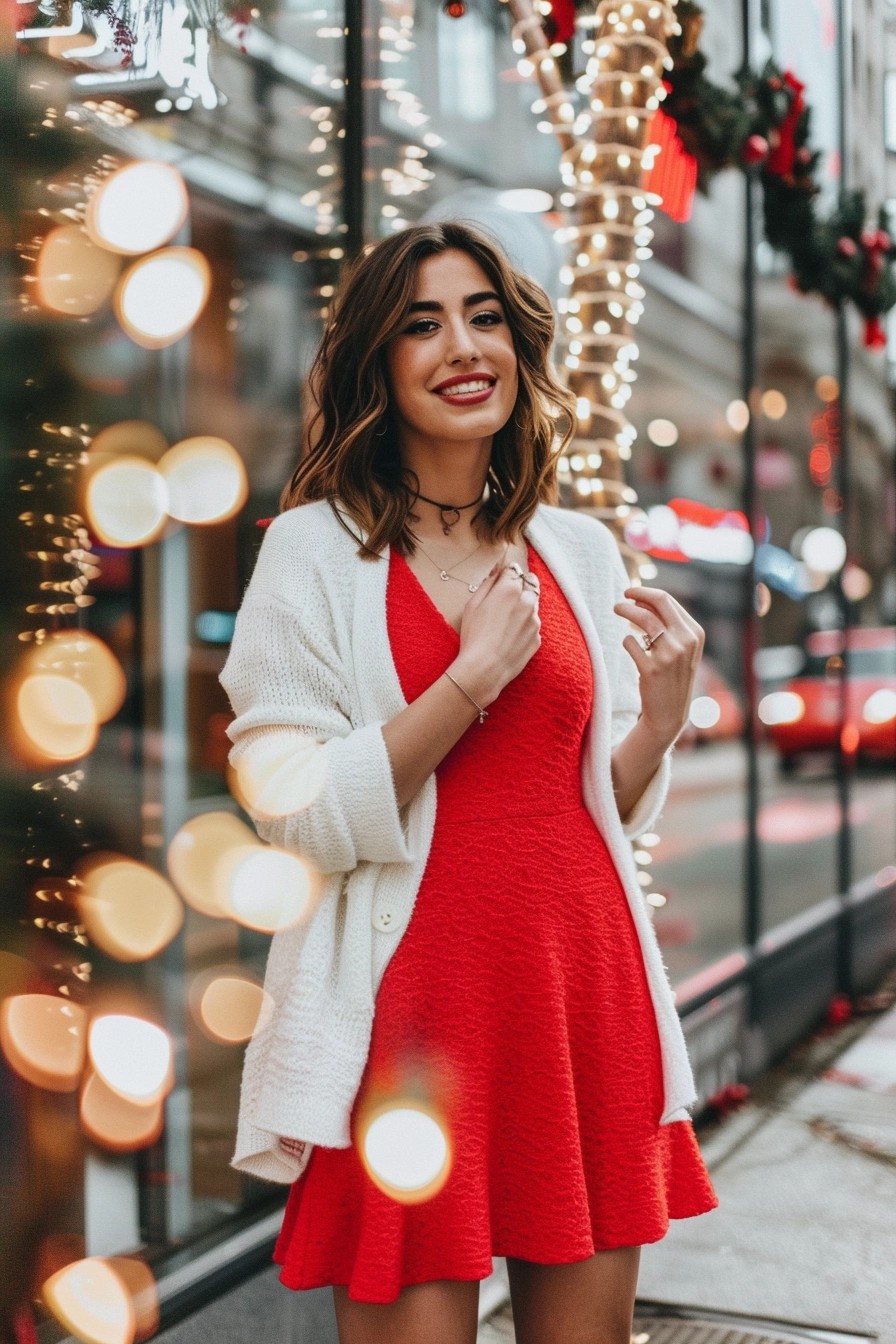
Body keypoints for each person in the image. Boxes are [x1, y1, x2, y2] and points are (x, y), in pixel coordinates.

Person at [219, 221, 718, 1344]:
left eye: (484, 317)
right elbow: (292, 812)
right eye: (421, 322)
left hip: (579, 996)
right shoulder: (311, 551)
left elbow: (596, 794)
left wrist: (667, 715)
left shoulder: (577, 550)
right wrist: (470, 679)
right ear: (376, 364)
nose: (462, 345)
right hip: (406, 1019)